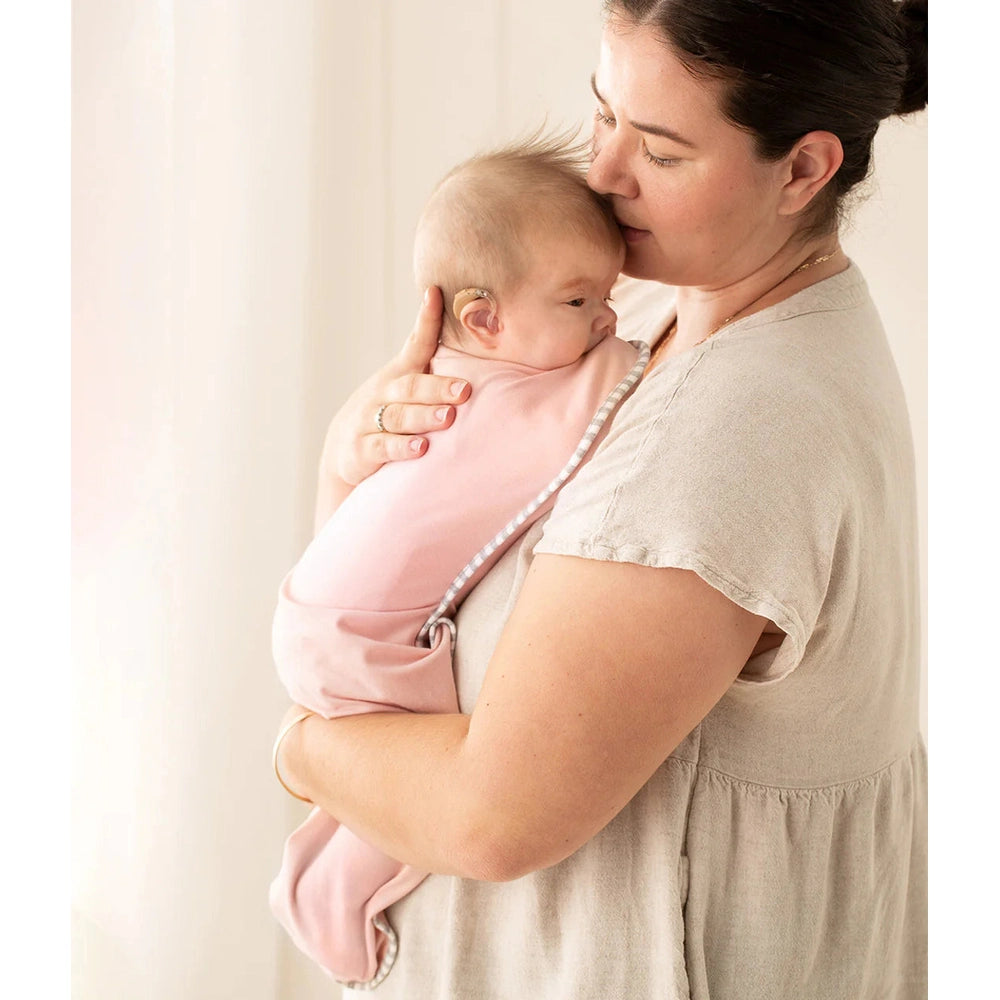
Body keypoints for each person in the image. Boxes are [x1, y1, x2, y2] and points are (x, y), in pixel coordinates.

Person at [273, 1, 928, 997]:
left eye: (661, 152)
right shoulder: (661, 325)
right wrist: (357, 465)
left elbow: (487, 816)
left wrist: (301, 744)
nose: (604, 175)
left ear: (802, 169)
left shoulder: (726, 425)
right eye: (601, 116)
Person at [269, 135, 649, 988]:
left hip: (325, 613)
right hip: (361, 637)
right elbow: (595, 412)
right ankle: (326, 907)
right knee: (398, 804)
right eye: (581, 299)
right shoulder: (511, 401)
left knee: (363, 782)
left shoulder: (454, 372)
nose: (608, 321)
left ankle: (319, 876)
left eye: (608, 299)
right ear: (483, 319)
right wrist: (641, 360)